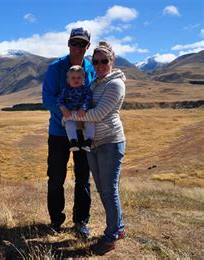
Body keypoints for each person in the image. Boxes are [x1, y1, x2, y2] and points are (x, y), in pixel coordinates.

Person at [67, 41, 126, 255]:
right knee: (103, 189)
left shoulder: (115, 84)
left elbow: (98, 114)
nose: (100, 64)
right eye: (96, 60)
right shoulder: (95, 84)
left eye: (104, 60)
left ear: (112, 61)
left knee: (109, 190)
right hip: (93, 143)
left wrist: (69, 118)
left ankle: (110, 237)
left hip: (110, 141)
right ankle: (118, 228)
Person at [42, 27, 97, 238]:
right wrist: (71, 117)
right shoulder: (56, 68)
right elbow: (48, 98)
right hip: (58, 130)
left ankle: (81, 222)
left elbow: (92, 97)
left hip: (83, 132)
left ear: (87, 46)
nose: (78, 47)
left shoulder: (91, 68)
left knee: (83, 177)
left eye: (82, 44)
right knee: (56, 177)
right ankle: (56, 220)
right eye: (74, 43)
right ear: (68, 44)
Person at [57, 65, 94, 152]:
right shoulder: (65, 90)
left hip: (84, 114)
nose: (76, 79)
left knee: (90, 123)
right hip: (70, 114)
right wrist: (64, 109)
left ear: (84, 79)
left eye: (79, 77)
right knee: (69, 124)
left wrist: (83, 108)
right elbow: (59, 101)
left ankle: (88, 141)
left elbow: (88, 100)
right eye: (73, 78)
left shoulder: (86, 89)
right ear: (68, 80)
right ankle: (73, 141)